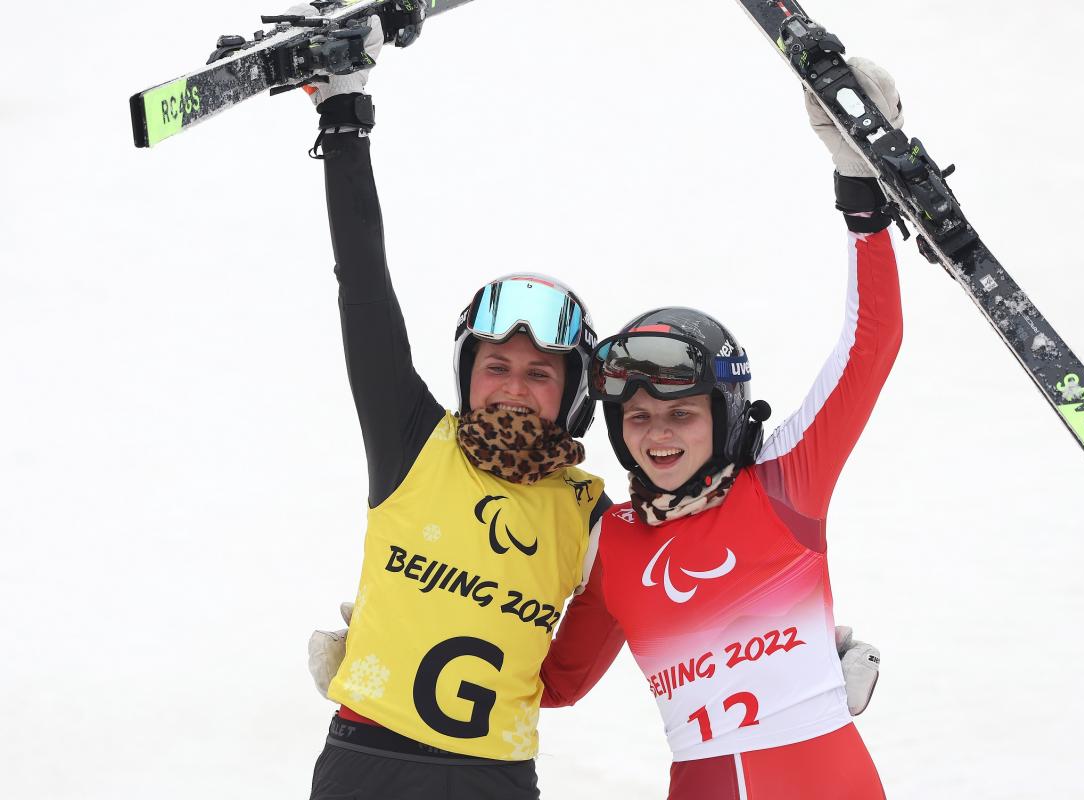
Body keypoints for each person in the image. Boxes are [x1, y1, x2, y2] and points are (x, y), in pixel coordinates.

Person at [530, 60, 906, 799]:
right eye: (636, 416)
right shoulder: (613, 544)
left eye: (681, 413)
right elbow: (554, 682)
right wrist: (404, 644)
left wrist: (860, 188)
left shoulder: (785, 483)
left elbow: (872, 345)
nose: (656, 433)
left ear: (724, 416)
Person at [292, 10, 621, 800]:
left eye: (539, 374)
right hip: (363, 763)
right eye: (496, 364)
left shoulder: (591, 515)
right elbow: (363, 286)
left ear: (573, 396)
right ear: (465, 372)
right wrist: (344, 117)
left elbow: (581, 668)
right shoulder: (413, 441)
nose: (512, 384)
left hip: (490, 779)